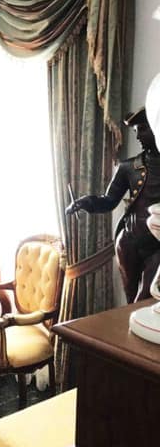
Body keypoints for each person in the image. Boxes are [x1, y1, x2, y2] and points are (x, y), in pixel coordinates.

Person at [68, 108, 160, 303]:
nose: (138, 137)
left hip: (157, 246)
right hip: (129, 241)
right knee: (131, 300)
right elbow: (109, 200)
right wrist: (86, 202)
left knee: (144, 298)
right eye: (135, 131)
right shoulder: (128, 167)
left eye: (142, 129)